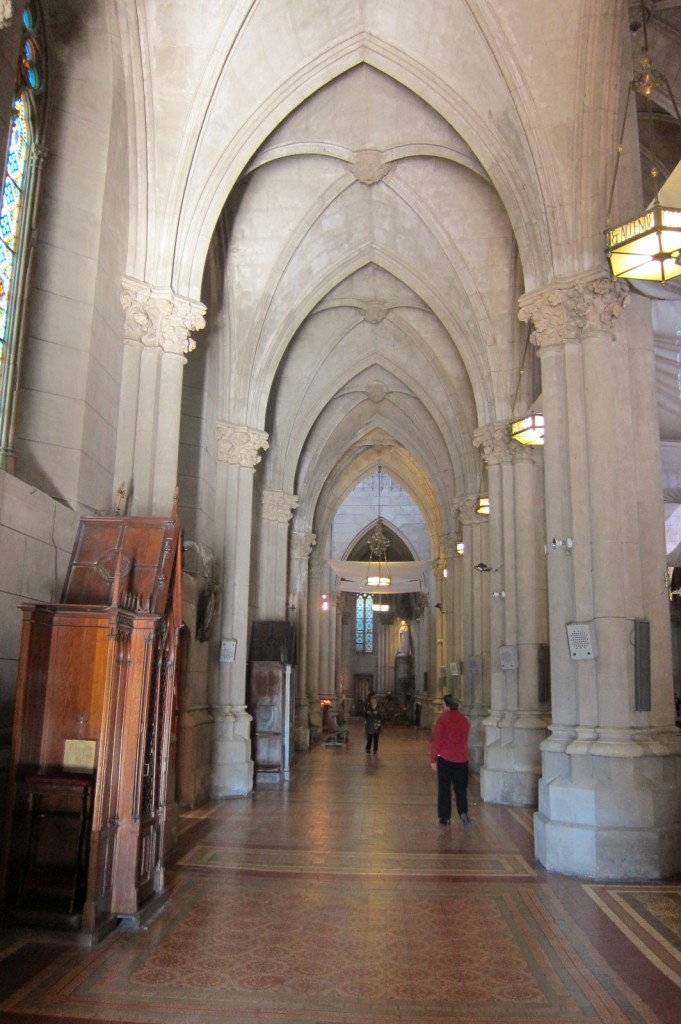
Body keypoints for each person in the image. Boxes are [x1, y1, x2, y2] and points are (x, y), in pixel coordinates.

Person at [430, 694, 472, 828]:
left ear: (447, 706)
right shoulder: (464, 720)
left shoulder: (442, 720)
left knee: (444, 788)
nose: (442, 708)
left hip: (446, 758)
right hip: (462, 759)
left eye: (443, 705)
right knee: (461, 789)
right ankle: (463, 812)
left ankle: (445, 817)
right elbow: (464, 739)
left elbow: (437, 740)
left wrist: (433, 758)